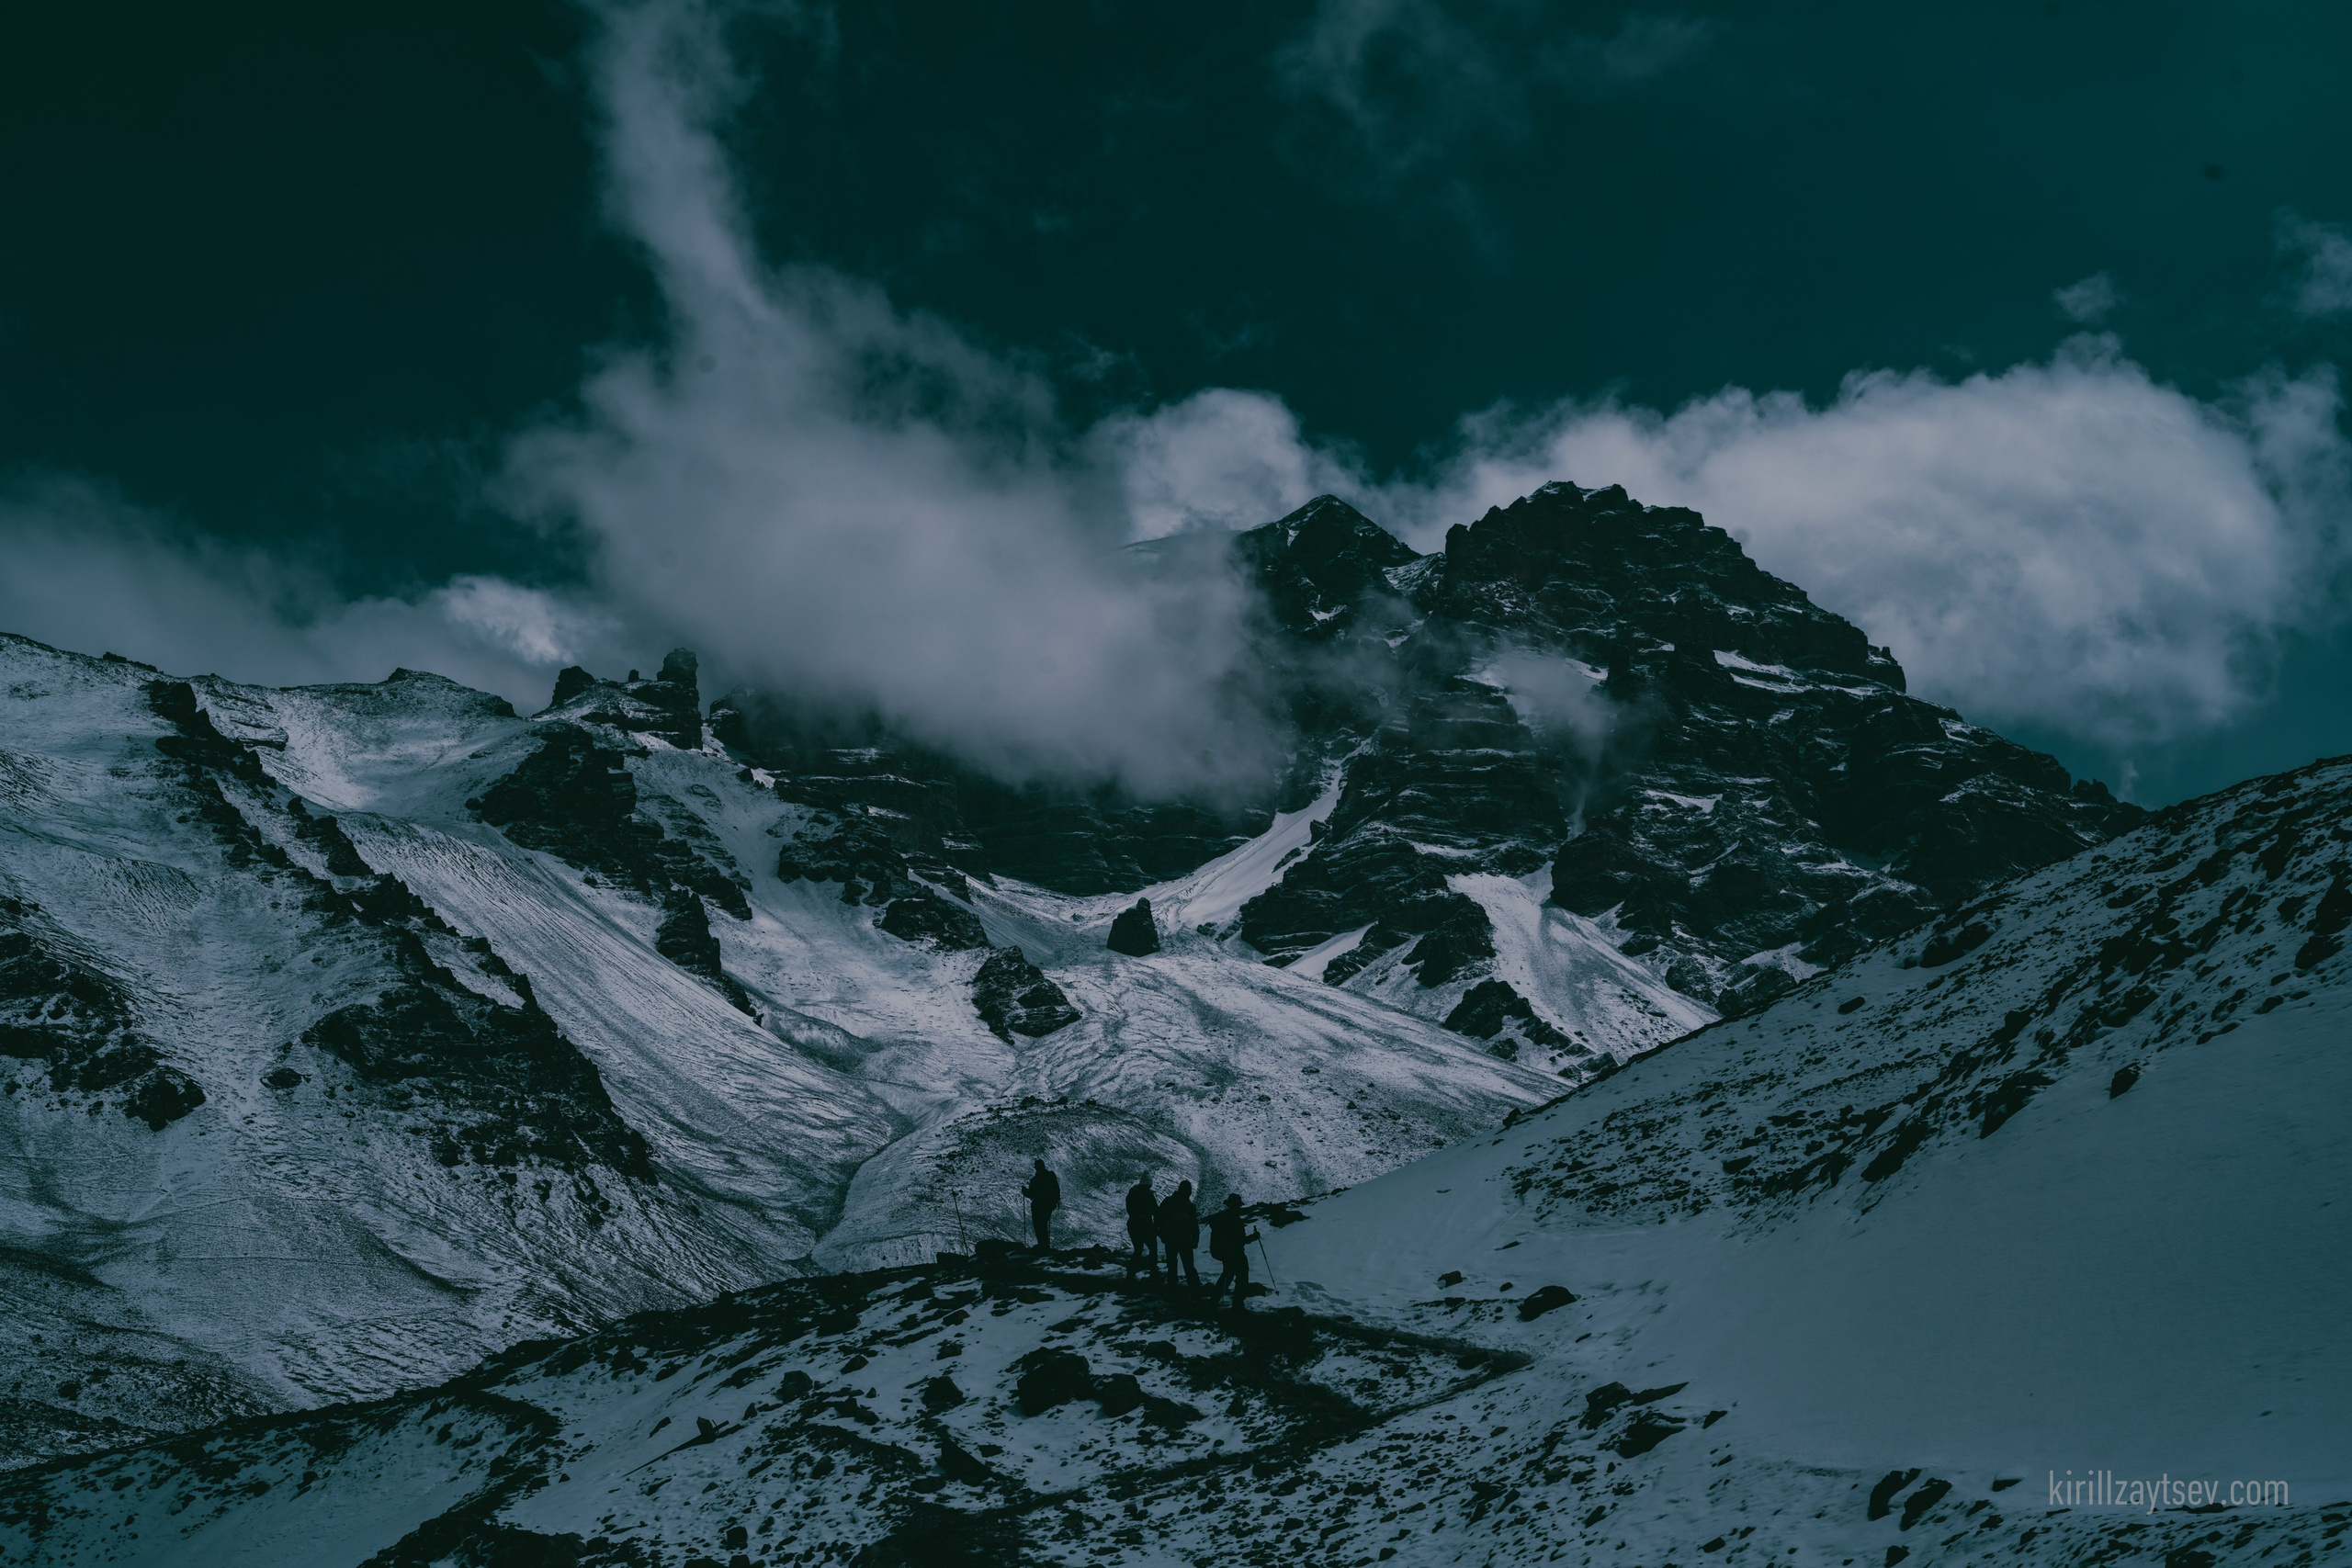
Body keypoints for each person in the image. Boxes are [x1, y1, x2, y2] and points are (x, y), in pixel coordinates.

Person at [1204, 1193, 1260, 1310]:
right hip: (1235, 1253)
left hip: (1226, 1253)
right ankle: (1238, 1305)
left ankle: (1214, 1301)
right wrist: (1253, 1237)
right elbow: (1239, 1240)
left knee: (1227, 1275)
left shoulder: (1223, 1218)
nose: (1239, 1208)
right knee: (1242, 1277)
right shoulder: (1234, 1219)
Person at [1157, 1179, 1200, 1291]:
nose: (1188, 1193)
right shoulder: (1169, 1202)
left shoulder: (1189, 1206)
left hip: (1183, 1240)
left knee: (1186, 1265)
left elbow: (1194, 1225)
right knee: (1175, 1264)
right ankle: (1178, 1287)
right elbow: (1159, 1218)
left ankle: (1192, 1288)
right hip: (1173, 1240)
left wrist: (1195, 1240)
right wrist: (1162, 1234)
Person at [1023, 1158, 1060, 1251]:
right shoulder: (1051, 1176)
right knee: (1043, 1224)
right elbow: (1056, 1189)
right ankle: (1045, 1245)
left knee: (1039, 1225)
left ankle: (1042, 1245)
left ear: (1036, 1168)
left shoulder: (1035, 1180)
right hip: (1049, 1204)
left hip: (1038, 1205)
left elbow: (1031, 1194)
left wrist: (1024, 1191)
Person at [1124, 1176, 1159, 1276]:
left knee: (1138, 1250)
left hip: (1135, 1226)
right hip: (1145, 1227)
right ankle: (1154, 1273)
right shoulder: (1148, 1196)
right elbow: (1156, 1211)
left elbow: (1130, 1210)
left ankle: (1131, 1275)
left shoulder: (1132, 1195)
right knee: (1152, 1250)